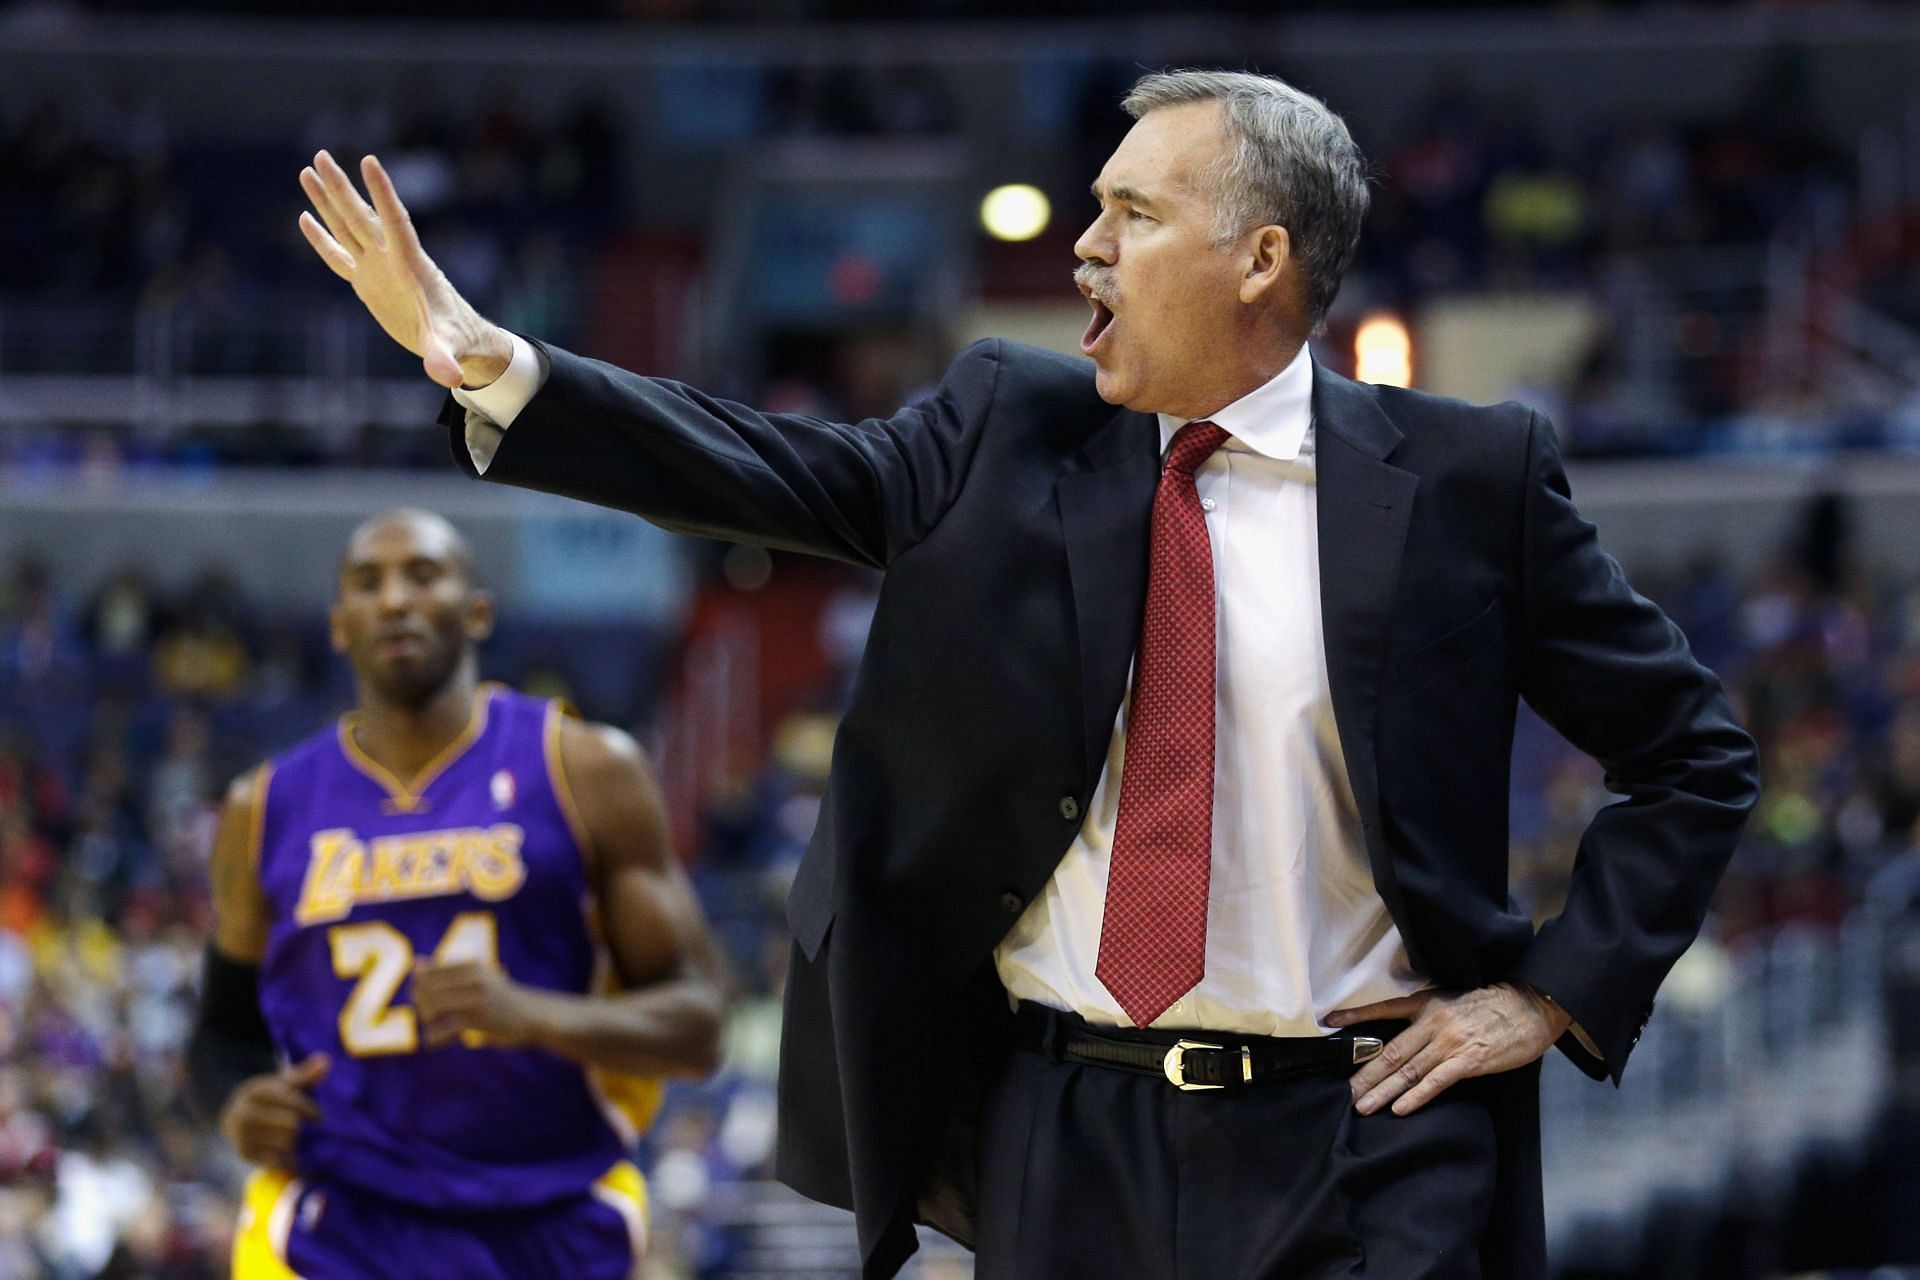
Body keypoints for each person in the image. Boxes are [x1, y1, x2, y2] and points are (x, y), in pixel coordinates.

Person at [295, 68, 1760, 1280]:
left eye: (1132, 212)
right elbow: (781, 471)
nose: (1087, 249)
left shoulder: (1466, 479)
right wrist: (490, 364)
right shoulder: (1010, 427)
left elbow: (1693, 750)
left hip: (1367, 1138)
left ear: (1261, 257)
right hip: (1066, 1132)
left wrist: (1553, 994)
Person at [186, 509, 725, 1280]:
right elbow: (223, 1032)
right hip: (339, 1221)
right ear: (339, 626)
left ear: (477, 612)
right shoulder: (263, 807)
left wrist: (530, 1014)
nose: (396, 600)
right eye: (368, 584)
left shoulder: (587, 770)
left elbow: (700, 1027)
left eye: (423, 575)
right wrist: (237, 1103)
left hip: (552, 1208)